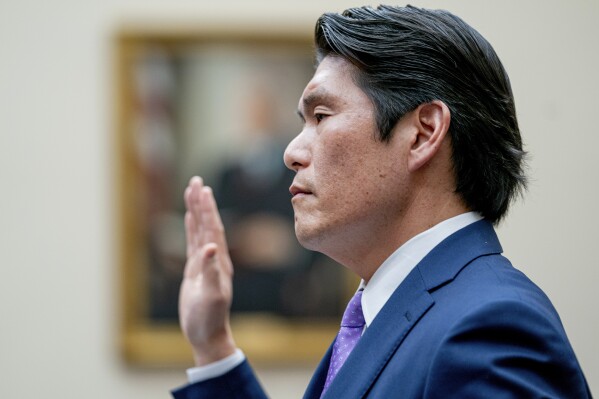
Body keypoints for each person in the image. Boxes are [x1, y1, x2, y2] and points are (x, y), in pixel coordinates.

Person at [172, 5, 591, 398]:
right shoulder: (401, 308)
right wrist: (214, 348)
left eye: (321, 116)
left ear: (423, 133)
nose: (291, 152)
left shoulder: (490, 329)